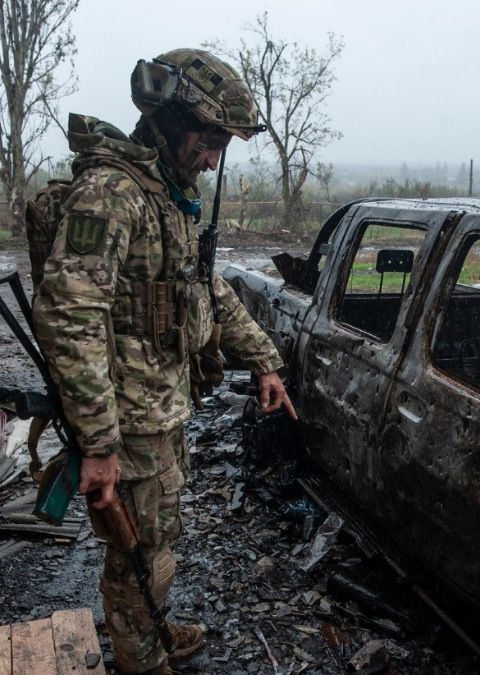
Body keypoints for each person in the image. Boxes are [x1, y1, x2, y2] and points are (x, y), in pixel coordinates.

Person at [32, 48, 296, 675]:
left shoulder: (167, 198)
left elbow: (207, 289)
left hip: (161, 405)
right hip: (129, 420)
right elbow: (69, 313)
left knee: (157, 539)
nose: (213, 159)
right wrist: (97, 443)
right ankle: (142, 660)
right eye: (210, 142)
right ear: (175, 123)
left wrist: (264, 360)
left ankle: (149, 630)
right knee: (138, 551)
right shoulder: (112, 193)